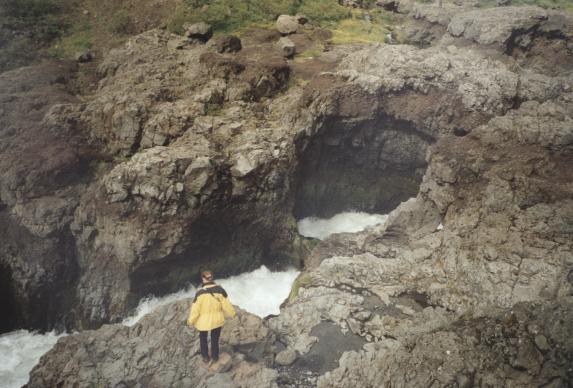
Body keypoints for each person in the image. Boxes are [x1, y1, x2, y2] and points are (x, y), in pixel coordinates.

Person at [187, 270, 236, 363]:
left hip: (203, 322)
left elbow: (195, 311)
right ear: (211, 278)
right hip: (217, 320)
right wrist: (233, 313)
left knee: (203, 338)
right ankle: (215, 356)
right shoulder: (220, 290)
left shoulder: (199, 293)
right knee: (215, 339)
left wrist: (190, 321)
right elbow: (227, 305)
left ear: (203, 279)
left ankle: (205, 356)